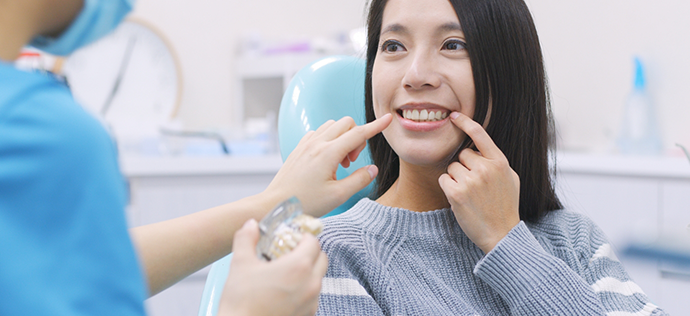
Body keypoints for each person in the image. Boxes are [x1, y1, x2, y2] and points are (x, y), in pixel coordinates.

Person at [0, 0, 392, 315]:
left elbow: (85, 265)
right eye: (393, 46)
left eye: (453, 44)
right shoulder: (46, 137)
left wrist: (273, 203)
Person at [315, 0, 668, 315]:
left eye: (453, 45)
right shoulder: (332, 255)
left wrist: (507, 243)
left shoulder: (574, 240)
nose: (416, 75)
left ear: (509, 72)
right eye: (394, 46)